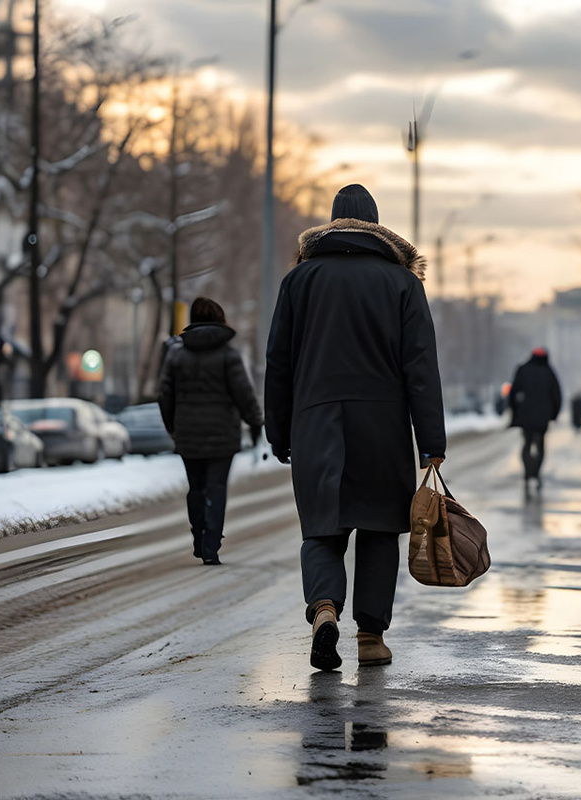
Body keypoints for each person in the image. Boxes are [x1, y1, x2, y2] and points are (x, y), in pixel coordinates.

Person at [265, 184, 446, 673]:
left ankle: (325, 608)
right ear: (376, 226)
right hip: (382, 426)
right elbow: (421, 367)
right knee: (380, 530)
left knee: (322, 529)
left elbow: (278, 362)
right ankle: (370, 637)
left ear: (330, 224)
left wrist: (278, 429)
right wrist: (431, 441)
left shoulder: (298, 280)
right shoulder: (402, 283)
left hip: (315, 420)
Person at [158, 297, 263, 565]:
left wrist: (172, 426)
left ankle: (198, 536)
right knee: (216, 488)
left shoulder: (176, 355)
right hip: (222, 435)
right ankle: (211, 545)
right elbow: (243, 394)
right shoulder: (228, 355)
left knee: (196, 487)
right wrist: (254, 423)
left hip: (188, 434)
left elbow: (165, 394)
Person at [508, 347, 562, 495]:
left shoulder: (522, 369)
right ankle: (536, 472)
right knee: (540, 446)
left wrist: (514, 411)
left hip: (525, 416)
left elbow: (513, 393)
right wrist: (554, 415)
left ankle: (528, 471)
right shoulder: (549, 372)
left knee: (526, 444)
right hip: (542, 418)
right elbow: (557, 395)